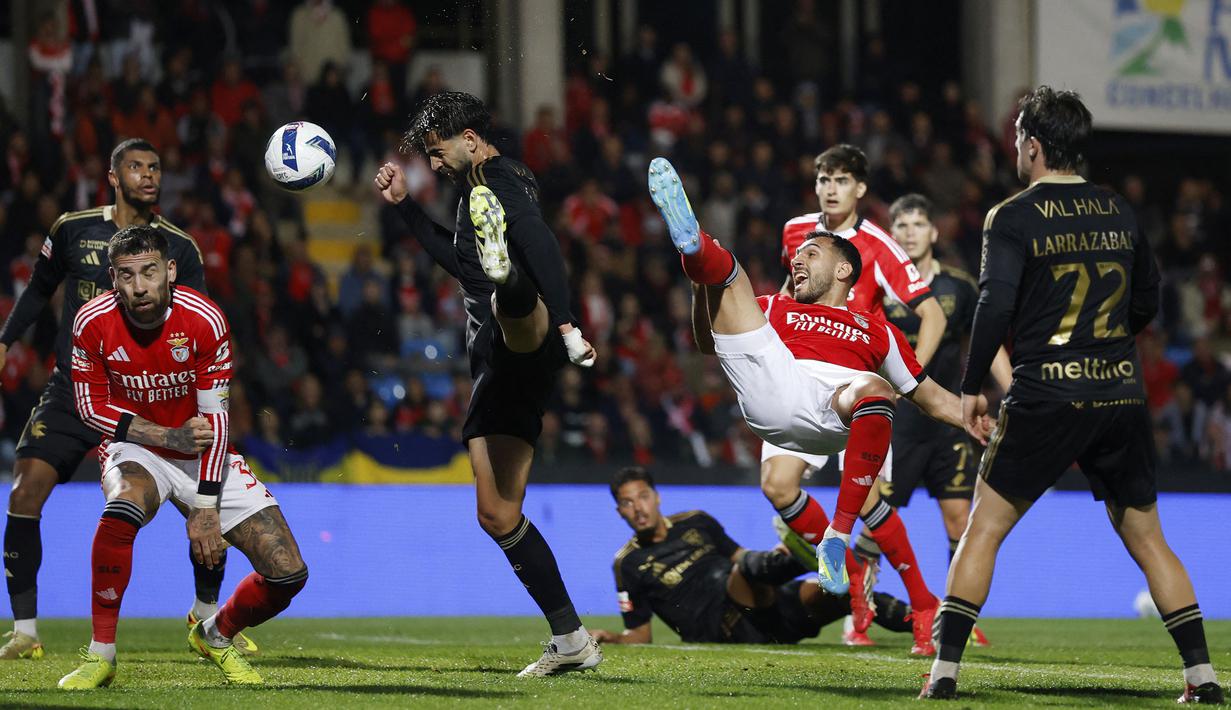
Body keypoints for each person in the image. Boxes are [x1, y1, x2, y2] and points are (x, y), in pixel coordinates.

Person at [920, 87, 1222, 704]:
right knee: (1148, 537)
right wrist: (1107, 345)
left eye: (1017, 137)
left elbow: (993, 304)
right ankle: (1204, 678)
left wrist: (972, 386)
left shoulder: (1011, 216)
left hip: (1046, 393)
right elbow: (1148, 298)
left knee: (983, 528)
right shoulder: (1117, 209)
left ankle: (944, 675)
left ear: (1033, 145)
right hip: (1120, 393)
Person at [647, 157, 993, 608]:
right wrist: (700, 288)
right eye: (797, 255)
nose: (798, 261)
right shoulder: (777, 306)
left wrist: (975, 417)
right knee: (731, 277)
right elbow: (706, 344)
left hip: (828, 408)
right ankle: (694, 247)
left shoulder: (878, 329)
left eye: (811, 254)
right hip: (771, 383)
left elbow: (929, 397)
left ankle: (838, 534)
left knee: (874, 388)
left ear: (844, 271)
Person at [0, 139, 255, 661]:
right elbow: (36, 291)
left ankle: (205, 616)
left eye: (155, 167)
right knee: (24, 494)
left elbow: (200, 322)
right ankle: (25, 631)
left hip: (154, 397)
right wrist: (4, 342)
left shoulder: (179, 246)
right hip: (78, 390)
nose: (148, 175)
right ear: (113, 176)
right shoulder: (72, 228)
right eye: (136, 167)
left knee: (202, 498)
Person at [374, 91, 601, 677]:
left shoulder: (493, 180)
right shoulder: (488, 185)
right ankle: (572, 639)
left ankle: (515, 289)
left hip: (521, 339)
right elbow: (460, 263)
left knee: (511, 306)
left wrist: (570, 319)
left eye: (437, 151)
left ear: (470, 139)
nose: (434, 164)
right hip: (494, 369)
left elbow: (542, 241)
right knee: (498, 513)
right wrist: (403, 206)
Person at [57, 226, 307, 689]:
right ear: (113, 278)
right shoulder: (91, 321)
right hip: (137, 445)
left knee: (288, 573)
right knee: (124, 504)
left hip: (203, 447)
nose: (139, 286)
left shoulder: (204, 319)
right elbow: (90, 407)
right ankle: (101, 655)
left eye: (149, 272)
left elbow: (215, 422)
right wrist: (165, 436)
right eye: (127, 275)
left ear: (170, 270)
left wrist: (206, 506)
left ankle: (215, 632)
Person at [765, 144, 949, 651]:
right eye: (824, 177)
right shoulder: (795, 231)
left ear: (860, 189)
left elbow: (932, 315)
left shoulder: (879, 246)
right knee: (778, 487)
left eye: (841, 180)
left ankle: (921, 602)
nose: (829, 188)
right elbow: (790, 290)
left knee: (867, 502)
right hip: (800, 382)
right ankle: (846, 570)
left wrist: (906, 380)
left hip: (853, 389)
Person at [855, 194, 1014, 648]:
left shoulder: (960, 288)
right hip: (897, 422)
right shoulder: (879, 286)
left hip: (947, 422)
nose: (908, 231)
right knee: (877, 521)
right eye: (900, 224)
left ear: (933, 233)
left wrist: (1011, 388)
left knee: (959, 520)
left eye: (918, 223)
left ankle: (953, 620)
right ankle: (857, 613)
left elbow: (983, 345)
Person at [591, 467, 915, 646]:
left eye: (643, 497)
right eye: (628, 503)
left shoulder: (696, 520)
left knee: (841, 593)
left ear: (657, 497)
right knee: (746, 571)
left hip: (766, 602)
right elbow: (640, 634)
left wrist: (770, 555)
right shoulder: (628, 563)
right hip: (726, 628)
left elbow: (739, 554)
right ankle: (807, 554)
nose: (638, 509)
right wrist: (610, 637)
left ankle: (930, 627)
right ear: (619, 510)